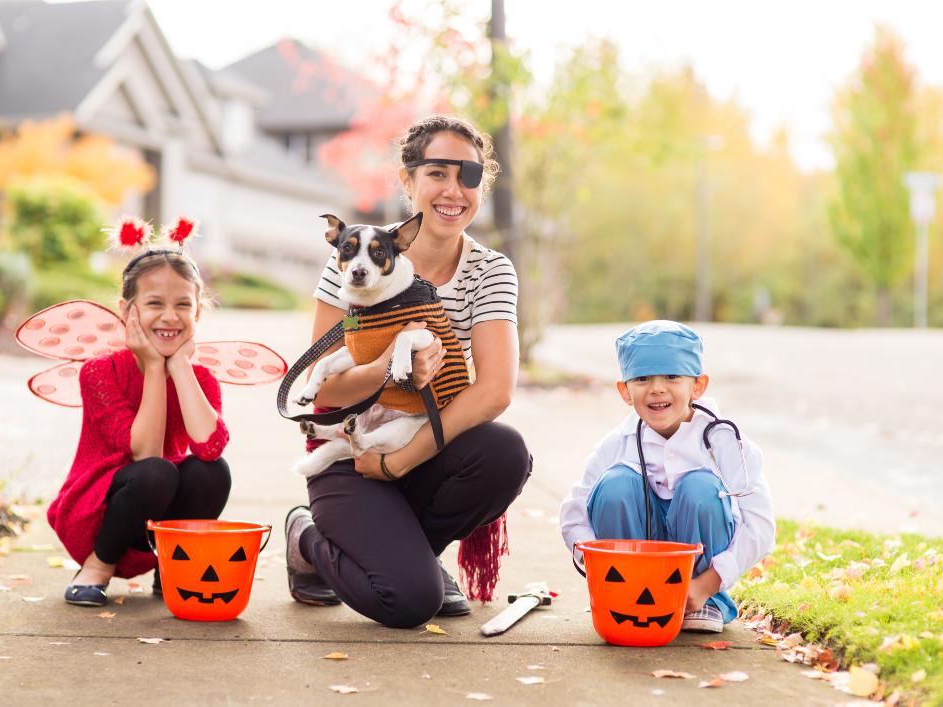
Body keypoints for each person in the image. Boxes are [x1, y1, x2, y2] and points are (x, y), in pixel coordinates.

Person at [286, 114, 532, 628]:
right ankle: (308, 539)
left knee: (504, 451)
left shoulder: (490, 270)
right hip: (350, 450)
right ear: (407, 180)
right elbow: (323, 387)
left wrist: (399, 462)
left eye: (469, 175)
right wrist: (383, 368)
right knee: (409, 601)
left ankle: (415, 551)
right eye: (437, 172)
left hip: (418, 442)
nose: (453, 190)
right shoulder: (354, 261)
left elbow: (493, 391)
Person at [559, 321, 774, 633]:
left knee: (701, 488)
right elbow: (574, 513)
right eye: (642, 378)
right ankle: (625, 597)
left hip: (699, 584)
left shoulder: (726, 444)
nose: (657, 388)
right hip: (631, 588)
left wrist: (706, 584)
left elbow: (760, 527)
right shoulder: (616, 445)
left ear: (697, 386)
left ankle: (704, 603)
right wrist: (600, 568)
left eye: (672, 377)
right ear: (624, 391)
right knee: (614, 486)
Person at [48, 245, 231, 607]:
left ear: (197, 311)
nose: (170, 317)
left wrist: (178, 368)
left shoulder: (201, 379)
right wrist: (152, 367)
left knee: (213, 471)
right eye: (154, 304)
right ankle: (97, 567)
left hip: (159, 510)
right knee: (155, 472)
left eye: (182, 304)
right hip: (99, 512)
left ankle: (174, 567)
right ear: (126, 310)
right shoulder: (100, 372)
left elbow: (209, 447)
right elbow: (144, 454)